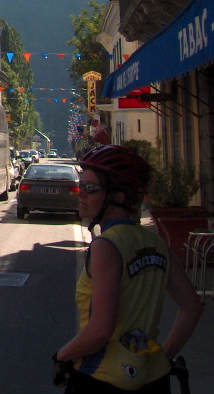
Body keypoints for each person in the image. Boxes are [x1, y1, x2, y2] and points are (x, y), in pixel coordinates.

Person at [53, 145, 202, 392]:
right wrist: (163, 357)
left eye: (90, 188)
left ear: (118, 196)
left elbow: (101, 330)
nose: (81, 193)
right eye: (81, 185)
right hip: (153, 376)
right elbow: (192, 307)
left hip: (101, 376)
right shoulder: (156, 242)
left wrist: (62, 356)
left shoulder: (107, 246)